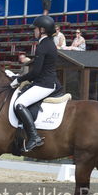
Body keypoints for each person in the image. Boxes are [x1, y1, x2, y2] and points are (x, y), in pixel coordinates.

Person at [10, 15, 61, 152]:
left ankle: (34, 137)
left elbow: (36, 72)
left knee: (19, 105)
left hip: (44, 84)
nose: (34, 31)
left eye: (36, 29)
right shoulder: (49, 43)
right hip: (46, 82)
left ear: (42, 30)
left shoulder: (43, 46)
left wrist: (18, 79)